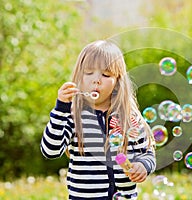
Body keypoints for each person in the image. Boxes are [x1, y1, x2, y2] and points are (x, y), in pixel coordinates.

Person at [40, 40, 156, 199]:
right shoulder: (74, 116)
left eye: (106, 74)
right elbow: (50, 150)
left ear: (117, 81)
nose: (96, 80)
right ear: (79, 77)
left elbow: (147, 152)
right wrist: (61, 109)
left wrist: (143, 166)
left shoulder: (129, 117)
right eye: (88, 73)